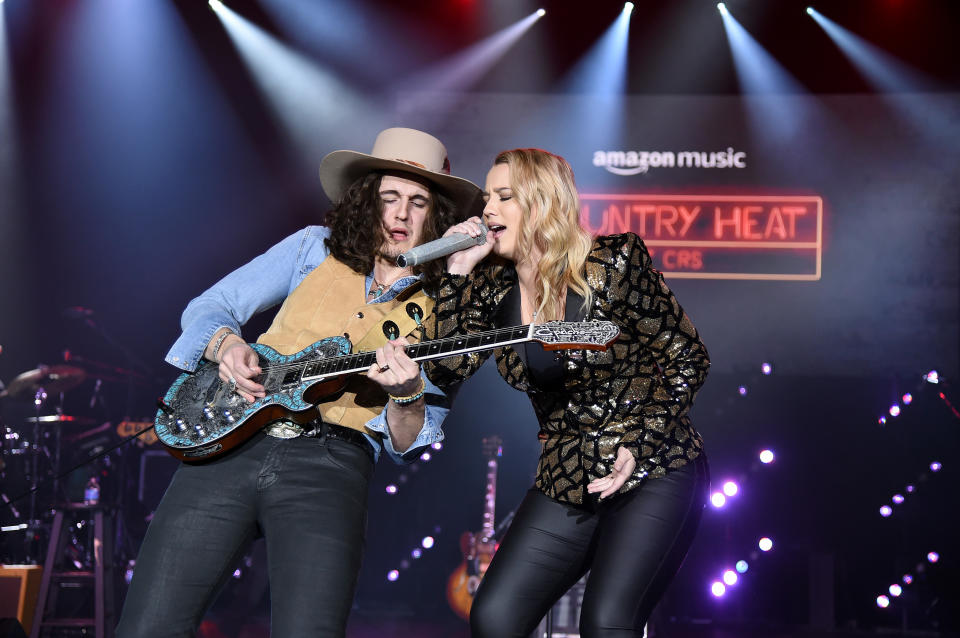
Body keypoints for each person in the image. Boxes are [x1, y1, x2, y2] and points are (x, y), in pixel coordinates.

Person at [116, 128, 482, 637]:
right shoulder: (313, 246)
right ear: (365, 200)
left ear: (438, 216)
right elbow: (208, 307)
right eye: (390, 198)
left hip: (332, 463)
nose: (401, 215)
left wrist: (405, 394)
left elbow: (411, 437)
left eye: (418, 202)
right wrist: (227, 346)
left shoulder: (450, 305)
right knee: (148, 626)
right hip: (228, 445)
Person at [425, 148, 711, 638]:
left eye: (504, 196)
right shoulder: (492, 287)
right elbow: (449, 366)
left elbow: (688, 357)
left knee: (606, 622)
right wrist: (455, 273)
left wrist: (637, 445)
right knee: (494, 617)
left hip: (653, 463)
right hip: (565, 474)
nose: (487, 209)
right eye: (487, 196)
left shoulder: (612, 262)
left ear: (541, 203)